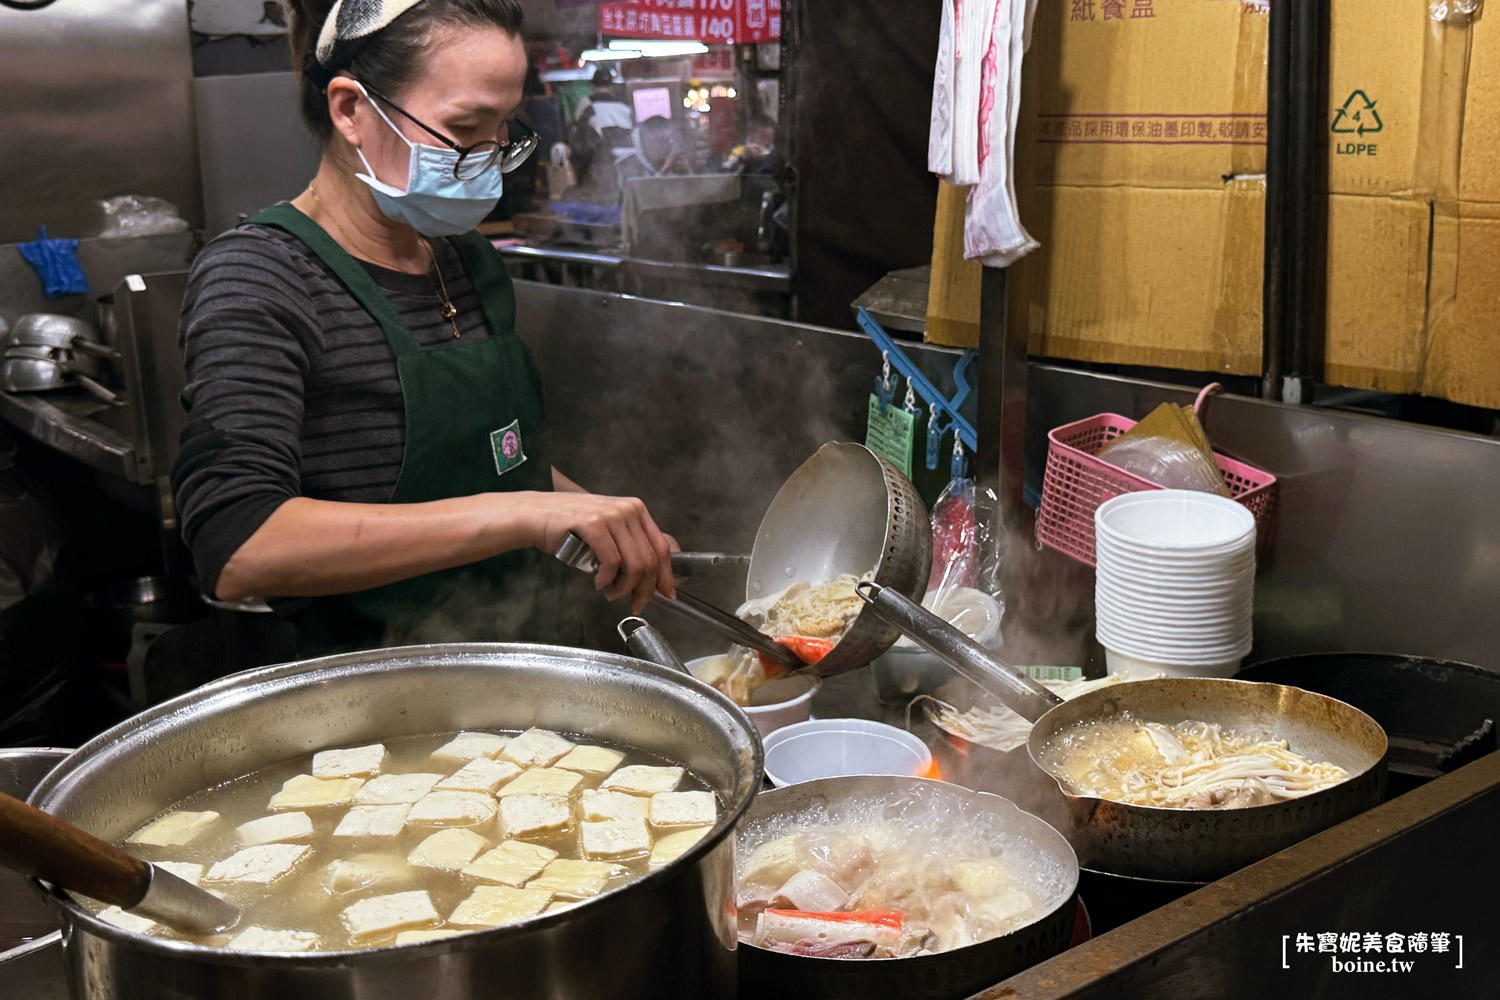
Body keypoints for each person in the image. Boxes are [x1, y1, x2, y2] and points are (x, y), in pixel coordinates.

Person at [173, 0, 676, 655]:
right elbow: (238, 543)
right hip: (375, 702)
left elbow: (493, 461)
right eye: (467, 127)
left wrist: (593, 517)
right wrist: (526, 515)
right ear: (351, 110)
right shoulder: (262, 276)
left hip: (517, 658)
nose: (492, 158)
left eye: (505, 128)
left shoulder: (462, 257)